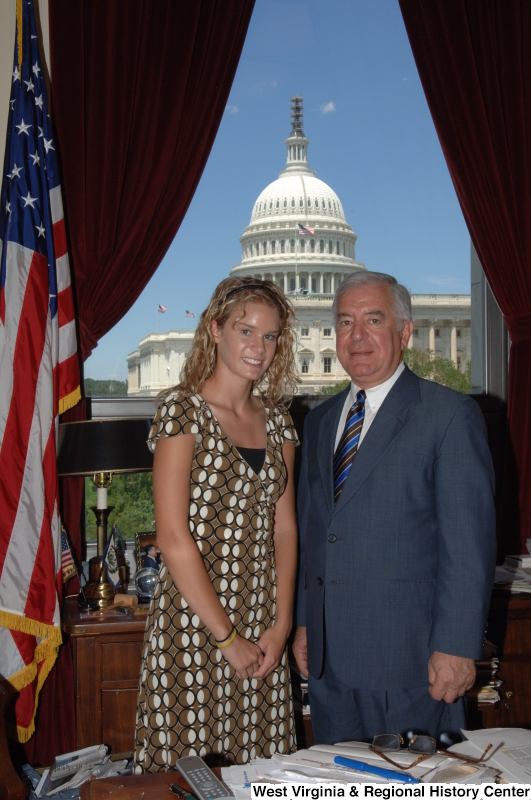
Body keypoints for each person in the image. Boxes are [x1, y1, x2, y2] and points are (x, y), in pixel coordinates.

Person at [293, 270, 496, 745]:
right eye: (344, 322)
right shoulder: (320, 421)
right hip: (329, 665)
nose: (356, 335)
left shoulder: (448, 414)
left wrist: (458, 647)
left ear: (404, 332)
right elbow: (315, 534)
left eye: (373, 319)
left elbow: (467, 546)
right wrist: (306, 622)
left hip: (412, 663)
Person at [135, 277, 299, 771]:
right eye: (245, 330)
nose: (258, 347)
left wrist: (282, 624)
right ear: (214, 330)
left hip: (263, 621)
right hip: (193, 624)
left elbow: (285, 528)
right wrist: (227, 638)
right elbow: (171, 537)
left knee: (263, 773)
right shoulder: (181, 410)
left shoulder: (279, 423)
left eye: (269, 336)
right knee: (189, 774)